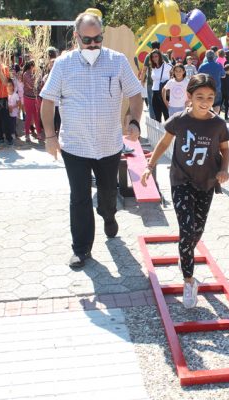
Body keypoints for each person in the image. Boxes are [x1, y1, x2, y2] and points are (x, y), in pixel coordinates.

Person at [39, 11, 144, 269]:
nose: (93, 45)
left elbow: (135, 94)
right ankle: (81, 248)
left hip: (109, 144)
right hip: (75, 146)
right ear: (76, 37)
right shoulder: (63, 65)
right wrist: (50, 136)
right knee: (80, 196)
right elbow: (48, 100)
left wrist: (133, 121)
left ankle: (108, 215)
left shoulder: (117, 61)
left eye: (97, 39)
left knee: (108, 192)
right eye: (87, 40)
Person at [140, 74, 229, 308]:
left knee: (196, 232)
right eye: (199, 96)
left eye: (210, 97)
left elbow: (225, 150)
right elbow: (163, 143)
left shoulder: (218, 124)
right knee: (187, 228)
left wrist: (224, 170)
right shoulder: (179, 120)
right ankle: (189, 281)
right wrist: (150, 165)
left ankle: (185, 255)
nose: (205, 101)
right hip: (181, 181)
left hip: (207, 183)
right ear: (189, 96)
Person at [140, 41, 162, 120]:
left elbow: (144, 70)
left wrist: (142, 81)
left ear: (151, 47)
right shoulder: (163, 56)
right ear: (159, 47)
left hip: (150, 83)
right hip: (161, 83)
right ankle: (159, 119)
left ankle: (153, 120)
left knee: (151, 103)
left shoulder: (148, 56)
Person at [148, 49, 172, 122]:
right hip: (154, 92)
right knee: (157, 115)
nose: (154, 58)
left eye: (156, 56)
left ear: (160, 57)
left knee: (166, 114)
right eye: (153, 57)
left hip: (163, 92)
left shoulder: (166, 66)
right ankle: (159, 133)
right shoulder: (153, 67)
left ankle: (168, 132)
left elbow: (176, 68)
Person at [21, 60, 42, 142]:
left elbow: (40, 85)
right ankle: (27, 134)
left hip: (35, 97)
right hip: (28, 98)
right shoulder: (26, 74)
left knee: (37, 116)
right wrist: (37, 81)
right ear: (32, 66)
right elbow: (31, 85)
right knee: (29, 116)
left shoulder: (36, 74)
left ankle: (39, 133)